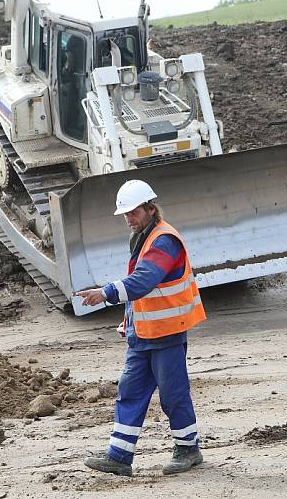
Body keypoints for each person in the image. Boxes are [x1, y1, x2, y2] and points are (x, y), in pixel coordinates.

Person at [75, 179, 206, 477]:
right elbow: (142, 291)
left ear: (150, 208)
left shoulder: (163, 240)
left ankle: (188, 449)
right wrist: (129, 323)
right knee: (129, 392)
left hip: (167, 333)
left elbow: (144, 281)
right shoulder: (144, 238)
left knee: (173, 394)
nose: (129, 219)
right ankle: (119, 456)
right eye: (125, 214)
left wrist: (105, 293)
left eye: (133, 212)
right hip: (144, 335)